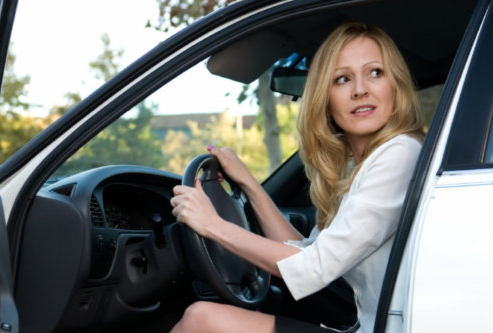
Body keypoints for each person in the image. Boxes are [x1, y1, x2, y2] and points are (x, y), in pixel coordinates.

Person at [169, 21, 424, 333]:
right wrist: (249, 184)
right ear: (326, 98)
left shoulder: (400, 154)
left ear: (395, 86)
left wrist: (213, 225)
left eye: (375, 73)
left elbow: (311, 268)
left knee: (201, 319)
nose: (360, 89)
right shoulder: (361, 166)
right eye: (342, 79)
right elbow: (303, 251)